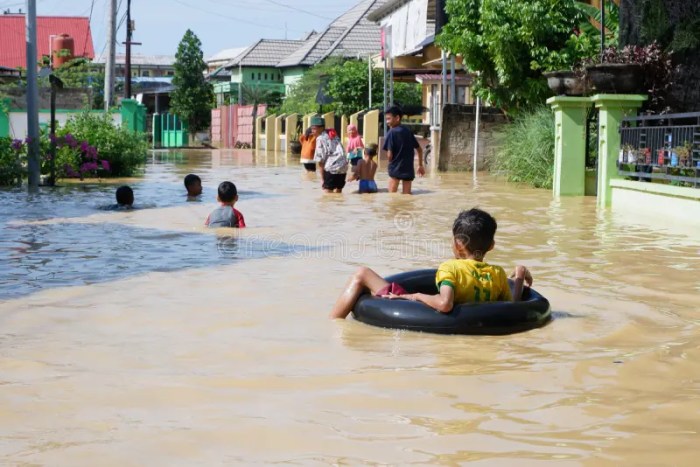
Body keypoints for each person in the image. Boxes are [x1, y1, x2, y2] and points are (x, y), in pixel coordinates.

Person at [329, 208, 533, 319]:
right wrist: (519, 275)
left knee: (362, 274)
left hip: (414, 307)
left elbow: (445, 304)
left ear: (458, 243)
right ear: (491, 246)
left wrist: (415, 295)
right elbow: (511, 307)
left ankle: (332, 325)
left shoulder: (449, 268)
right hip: (475, 319)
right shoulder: (497, 274)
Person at [382, 106, 424, 194]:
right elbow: (419, 149)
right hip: (408, 169)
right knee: (407, 195)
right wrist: (420, 165)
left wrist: (389, 162)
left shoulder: (391, 132)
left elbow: (389, 156)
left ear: (397, 118)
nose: (387, 122)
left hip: (395, 169)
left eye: (389, 119)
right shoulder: (408, 131)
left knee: (391, 197)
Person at [312, 116, 348, 193]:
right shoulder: (333, 134)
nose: (312, 131)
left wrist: (323, 180)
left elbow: (320, 161)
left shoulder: (320, 138)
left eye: (314, 129)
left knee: (327, 196)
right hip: (343, 167)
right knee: (338, 193)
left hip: (332, 168)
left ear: (321, 128)